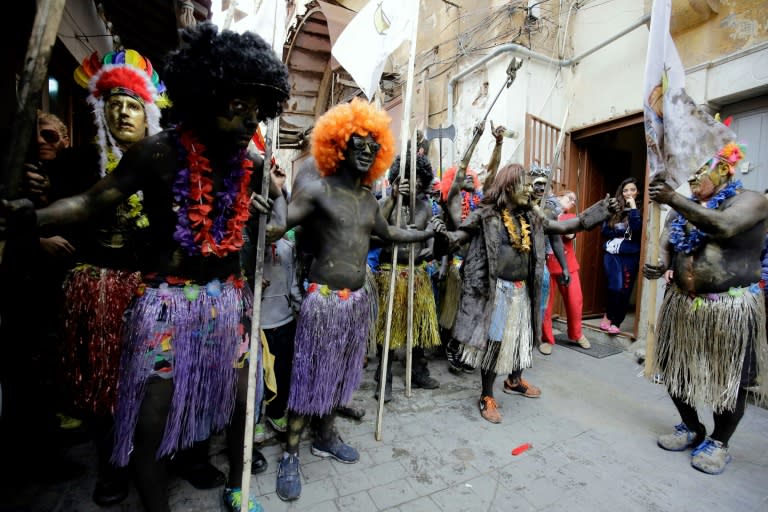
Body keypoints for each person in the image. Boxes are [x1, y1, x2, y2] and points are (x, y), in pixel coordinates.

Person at [2, 22, 291, 512]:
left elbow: (277, 225)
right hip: (166, 305)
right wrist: (35, 216)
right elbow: (89, 204)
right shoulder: (158, 152)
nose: (250, 121)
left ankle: (239, 484)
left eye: (257, 110)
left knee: (244, 402)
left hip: (227, 302)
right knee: (150, 417)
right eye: (238, 107)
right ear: (206, 96)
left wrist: (270, 218)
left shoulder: (254, 164)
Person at [258, 97, 443, 502]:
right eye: (358, 143)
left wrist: (430, 235)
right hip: (323, 302)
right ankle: (291, 452)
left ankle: (325, 435)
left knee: (340, 376)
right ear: (338, 145)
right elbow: (278, 227)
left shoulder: (368, 201)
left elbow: (391, 235)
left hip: (357, 302)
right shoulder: (317, 190)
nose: (366, 151)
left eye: (373, 146)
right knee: (308, 379)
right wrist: (270, 197)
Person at [433, 163, 618, 423]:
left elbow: (566, 228)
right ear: (508, 186)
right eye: (525, 184)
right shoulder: (486, 215)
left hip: (523, 291)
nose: (531, 189)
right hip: (496, 291)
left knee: (522, 338)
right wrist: (442, 238)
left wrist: (601, 211)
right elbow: (459, 237)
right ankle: (486, 395)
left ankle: (514, 380)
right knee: (495, 345)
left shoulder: (532, 218)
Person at [643, 141, 768, 475]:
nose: (692, 179)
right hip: (683, 305)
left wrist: (673, 198)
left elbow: (723, 226)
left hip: (730, 309)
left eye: (699, 172)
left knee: (728, 381)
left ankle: (719, 442)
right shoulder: (687, 206)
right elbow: (673, 241)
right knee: (673, 370)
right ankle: (691, 427)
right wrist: (662, 264)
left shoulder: (752, 201)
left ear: (724, 169)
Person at [373, 149, 441, 402]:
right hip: (391, 273)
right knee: (388, 330)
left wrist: (428, 250)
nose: (417, 185)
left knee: (419, 327)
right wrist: (392, 198)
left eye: (421, 182)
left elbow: (432, 238)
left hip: (417, 274)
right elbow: (376, 227)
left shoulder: (426, 207)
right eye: (412, 180)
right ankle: (384, 377)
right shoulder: (386, 203)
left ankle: (418, 371)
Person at [439, 122, 502, 373]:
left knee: (472, 312)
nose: (466, 176)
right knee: (454, 312)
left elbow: (492, 174)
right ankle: (452, 349)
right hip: (457, 263)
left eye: (469, 176)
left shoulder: (480, 200)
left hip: (478, 264)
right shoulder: (453, 200)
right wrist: (474, 139)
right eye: (461, 176)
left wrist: (498, 143)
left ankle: (465, 350)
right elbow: (460, 170)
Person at [541, 190, 590, 353]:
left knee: (575, 301)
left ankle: (576, 334)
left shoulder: (569, 217)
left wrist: (557, 217)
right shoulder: (542, 212)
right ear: (559, 196)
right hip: (546, 265)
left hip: (567, 265)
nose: (572, 202)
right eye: (570, 198)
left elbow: (569, 234)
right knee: (545, 306)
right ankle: (547, 338)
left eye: (574, 201)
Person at [600, 177, 642, 335]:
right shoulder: (614, 208)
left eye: (632, 190)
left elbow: (636, 230)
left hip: (629, 254)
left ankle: (616, 321)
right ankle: (608, 315)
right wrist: (621, 231)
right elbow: (605, 231)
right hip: (611, 252)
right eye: (625, 190)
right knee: (613, 287)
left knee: (624, 289)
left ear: (638, 192)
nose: (628, 193)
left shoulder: (641, 209)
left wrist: (632, 208)